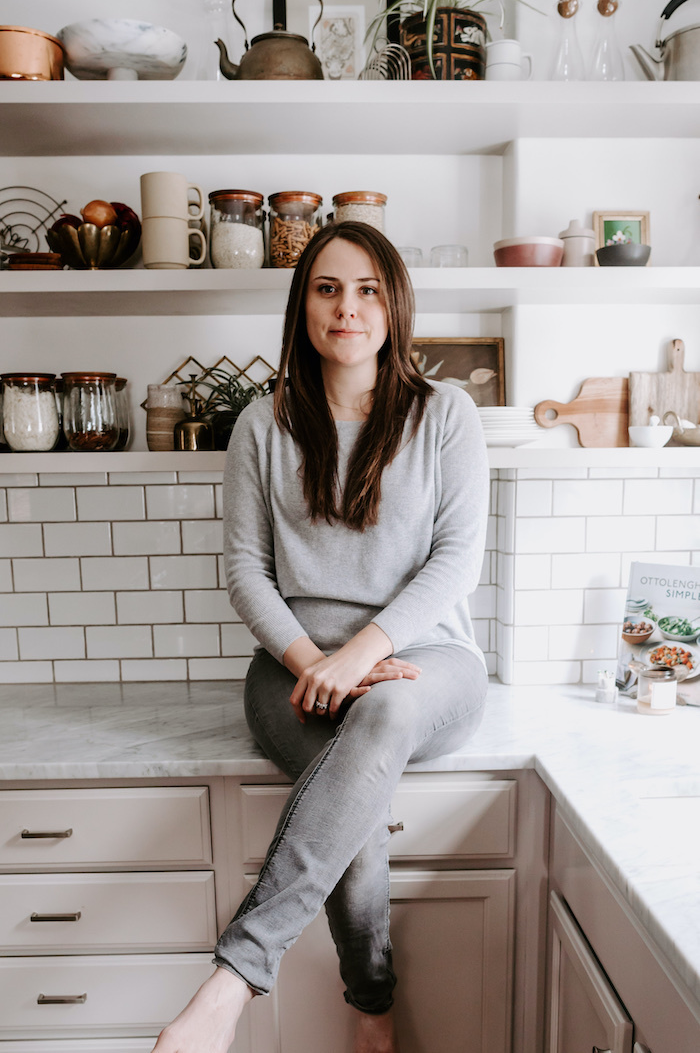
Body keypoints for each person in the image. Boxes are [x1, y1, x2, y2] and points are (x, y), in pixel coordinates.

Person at [152, 220, 490, 1053]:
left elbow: (455, 563)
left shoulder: (447, 416)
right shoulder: (261, 428)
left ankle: (231, 983)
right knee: (355, 807)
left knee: (379, 722)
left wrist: (360, 658)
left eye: (368, 289)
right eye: (328, 289)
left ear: (395, 305)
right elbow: (245, 574)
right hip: (290, 670)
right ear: (303, 306)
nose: (348, 308)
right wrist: (312, 662)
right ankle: (371, 1005)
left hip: (427, 663)